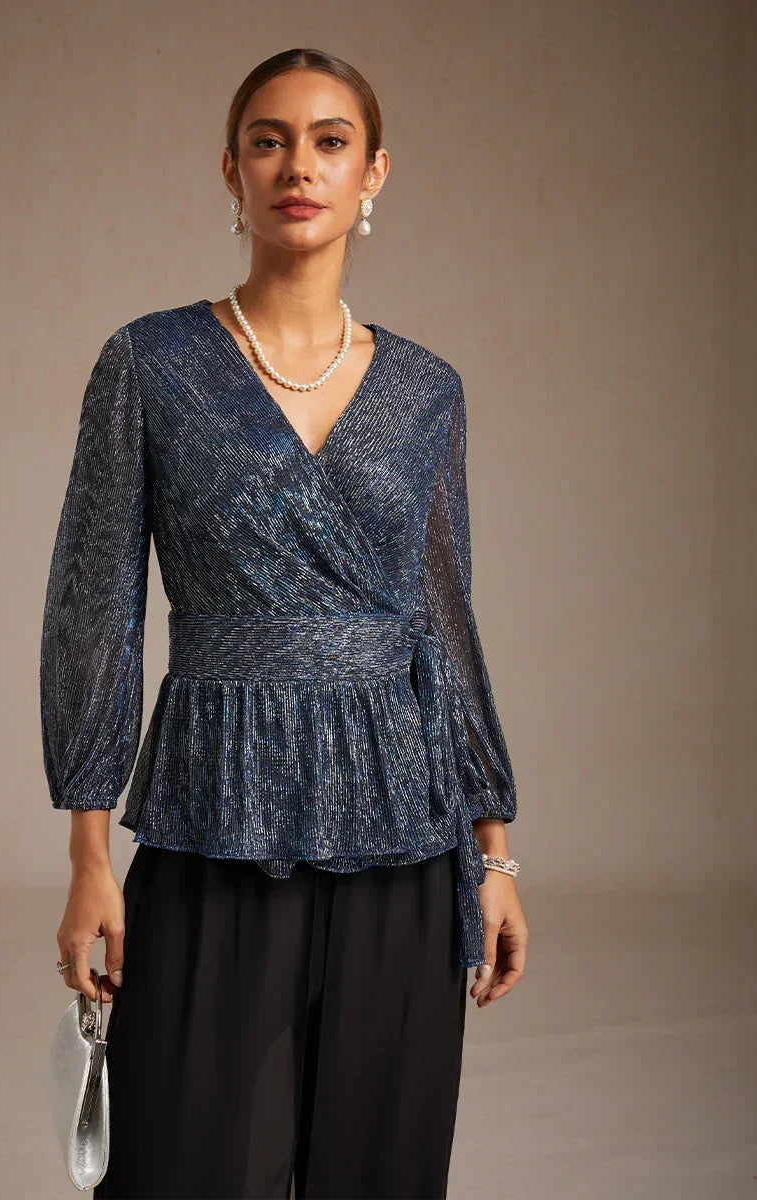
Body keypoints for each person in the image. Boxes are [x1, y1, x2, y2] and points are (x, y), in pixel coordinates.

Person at [41, 46, 529, 1200]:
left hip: (404, 833)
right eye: (269, 141)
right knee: (189, 1162)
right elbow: (93, 610)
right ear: (232, 170)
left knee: (381, 1167)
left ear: (373, 174)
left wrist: (495, 851)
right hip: (215, 814)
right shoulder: (151, 365)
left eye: (329, 142)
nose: (298, 166)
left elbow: (445, 625)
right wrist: (88, 857)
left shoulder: (426, 391)